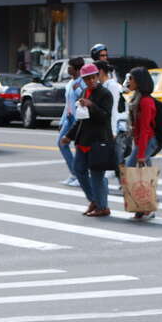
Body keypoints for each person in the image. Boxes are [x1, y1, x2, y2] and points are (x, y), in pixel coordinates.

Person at [60, 63, 113, 217]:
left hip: (99, 141)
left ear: (98, 76)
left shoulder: (105, 94)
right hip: (83, 140)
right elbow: (80, 118)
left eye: (93, 78)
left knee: (97, 176)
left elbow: (105, 117)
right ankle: (94, 200)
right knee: (79, 170)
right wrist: (68, 136)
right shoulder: (84, 91)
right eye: (87, 79)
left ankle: (102, 207)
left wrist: (92, 105)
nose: (91, 81)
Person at [125, 66, 158, 219]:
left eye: (131, 78)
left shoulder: (145, 102)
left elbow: (145, 129)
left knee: (131, 170)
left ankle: (145, 207)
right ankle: (145, 206)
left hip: (146, 141)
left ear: (139, 81)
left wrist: (141, 153)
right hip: (141, 141)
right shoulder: (137, 97)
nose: (128, 81)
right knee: (145, 176)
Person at [57, 57, 86, 187]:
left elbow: (84, 99)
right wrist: (62, 121)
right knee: (61, 143)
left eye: (70, 67)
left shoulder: (82, 83)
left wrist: (78, 89)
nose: (68, 69)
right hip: (69, 118)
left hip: (78, 119)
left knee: (79, 147)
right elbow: (67, 104)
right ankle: (74, 173)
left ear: (76, 69)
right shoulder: (70, 83)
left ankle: (79, 175)